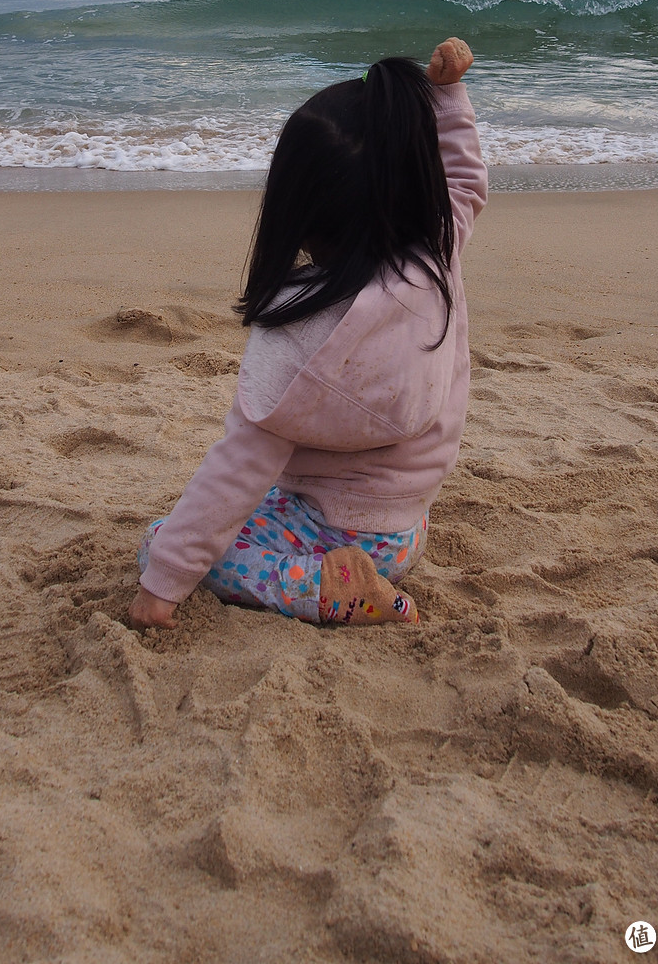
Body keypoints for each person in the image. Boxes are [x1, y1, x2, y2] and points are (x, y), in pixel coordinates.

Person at [129, 37, 487, 630]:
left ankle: (332, 591)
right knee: (252, 510)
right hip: (405, 525)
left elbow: (240, 464)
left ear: (295, 207)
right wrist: (447, 97)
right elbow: (465, 183)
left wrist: (163, 584)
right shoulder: (435, 253)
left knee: (164, 542)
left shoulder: (300, 327)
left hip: (339, 530)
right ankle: (360, 572)